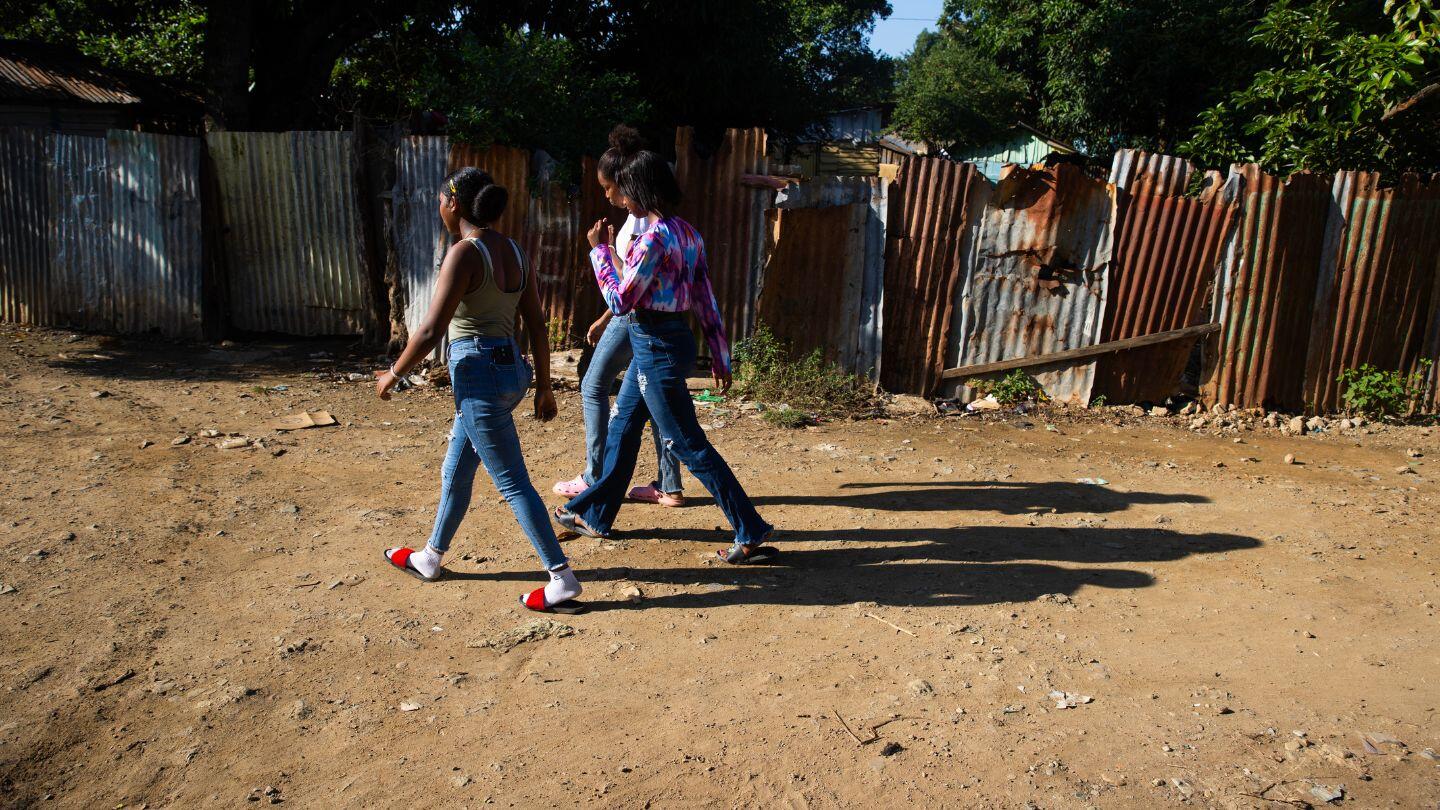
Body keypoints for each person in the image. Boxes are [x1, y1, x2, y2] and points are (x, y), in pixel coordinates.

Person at [552, 130, 778, 565]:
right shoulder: (687, 234)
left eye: (622, 188)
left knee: (686, 443)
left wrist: (599, 252)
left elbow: (622, 299)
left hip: (653, 342)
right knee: (623, 427)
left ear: (638, 189)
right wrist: (720, 353)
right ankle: (596, 514)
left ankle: (750, 528)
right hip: (663, 339)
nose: (618, 196)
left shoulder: (654, 238)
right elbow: (705, 300)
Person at [376, 167, 584, 614]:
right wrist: (544, 387)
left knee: (512, 482)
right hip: (511, 373)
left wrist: (394, 373)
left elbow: (431, 329)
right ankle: (430, 557)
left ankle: (561, 578)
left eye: (439, 201)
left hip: (478, 377)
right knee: (457, 470)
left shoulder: (464, 254)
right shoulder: (514, 251)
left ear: (454, 203)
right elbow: (536, 324)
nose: (438, 209)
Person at [553, 126, 684, 508]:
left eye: (608, 188)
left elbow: (629, 284)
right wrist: (605, 315)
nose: (608, 196)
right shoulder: (652, 217)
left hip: (639, 320)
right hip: (639, 316)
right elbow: (635, 280)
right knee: (656, 398)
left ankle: (596, 476)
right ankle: (669, 484)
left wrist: (600, 252)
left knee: (594, 385)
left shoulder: (642, 218)